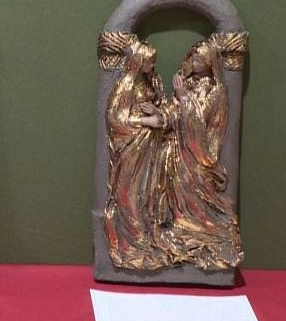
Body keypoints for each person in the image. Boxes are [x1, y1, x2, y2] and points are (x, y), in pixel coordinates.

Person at [160, 41, 243, 269]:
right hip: (179, 145)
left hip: (198, 152)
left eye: (199, 59)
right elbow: (176, 110)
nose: (194, 63)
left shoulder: (215, 90)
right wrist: (162, 115)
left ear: (210, 62)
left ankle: (198, 226)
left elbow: (199, 122)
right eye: (192, 58)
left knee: (188, 180)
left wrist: (184, 97)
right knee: (171, 178)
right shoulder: (189, 83)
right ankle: (180, 223)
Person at [104, 40, 169, 269]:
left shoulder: (154, 81)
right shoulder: (126, 85)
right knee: (128, 193)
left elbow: (163, 107)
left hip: (151, 148)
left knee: (148, 193)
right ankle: (131, 243)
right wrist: (146, 121)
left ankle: (147, 239)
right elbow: (115, 118)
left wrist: (158, 114)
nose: (153, 66)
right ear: (139, 61)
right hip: (132, 148)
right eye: (150, 62)